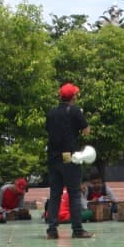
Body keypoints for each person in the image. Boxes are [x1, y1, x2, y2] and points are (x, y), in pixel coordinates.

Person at [45, 82, 92, 239]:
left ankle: (52, 230)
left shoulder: (51, 113)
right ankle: (77, 230)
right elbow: (86, 132)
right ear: (73, 97)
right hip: (70, 158)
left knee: (55, 195)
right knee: (74, 194)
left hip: (53, 158)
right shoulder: (75, 111)